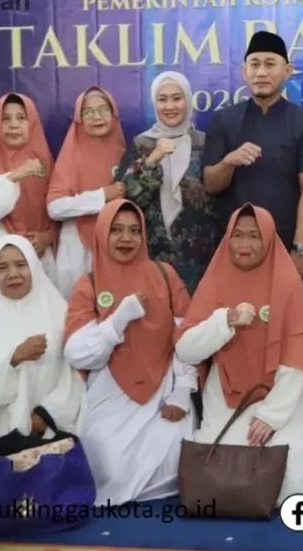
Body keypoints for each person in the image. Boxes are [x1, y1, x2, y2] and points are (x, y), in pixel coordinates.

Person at [173, 204, 303, 504]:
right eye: (237, 235)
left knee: (292, 479)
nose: (244, 244)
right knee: (218, 472)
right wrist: (225, 321)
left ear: (269, 239)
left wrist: (272, 415)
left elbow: (298, 357)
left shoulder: (287, 283)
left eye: (254, 236)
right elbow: (186, 348)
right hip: (226, 395)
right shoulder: (216, 279)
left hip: (282, 397)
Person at [64, 200, 196, 504]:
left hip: (164, 386)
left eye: (135, 231)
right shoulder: (89, 284)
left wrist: (183, 390)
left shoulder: (165, 275)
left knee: (176, 459)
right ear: (102, 234)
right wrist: (118, 320)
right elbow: (77, 353)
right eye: (117, 230)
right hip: (110, 390)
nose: (126, 238)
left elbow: (187, 335)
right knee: (109, 470)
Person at [202, 31, 303, 282]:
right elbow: (211, 185)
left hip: (286, 246)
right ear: (244, 71)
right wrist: (229, 162)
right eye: (254, 64)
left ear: (287, 71)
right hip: (234, 250)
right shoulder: (224, 120)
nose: (261, 72)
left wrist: (300, 249)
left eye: (270, 64)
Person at [0, 235, 85, 467]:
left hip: (50, 437)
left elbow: (74, 376)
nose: (13, 274)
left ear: (34, 266)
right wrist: (13, 360)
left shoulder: (58, 313)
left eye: (21, 264)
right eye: (2, 267)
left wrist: (46, 415)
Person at [121, 71, 220, 293]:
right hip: (152, 254)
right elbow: (126, 198)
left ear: (188, 100)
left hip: (201, 255)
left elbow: (219, 193)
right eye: (162, 99)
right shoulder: (141, 144)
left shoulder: (205, 143)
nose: (170, 106)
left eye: (177, 98)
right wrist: (152, 160)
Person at [0, 93, 58, 281]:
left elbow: (54, 209)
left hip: (40, 255)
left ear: (32, 123)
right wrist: (13, 177)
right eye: (5, 119)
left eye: (21, 118)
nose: (14, 125)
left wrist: (47, 237)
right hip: (1, 256)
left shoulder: (43, 159)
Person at [46, 86, 128, 297]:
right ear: (79, 119)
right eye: (88, 112)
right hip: (77, 247)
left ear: (114, 114)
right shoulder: (72, 155)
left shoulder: (123, 153)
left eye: (103, 110)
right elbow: (54, 207)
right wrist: (101, 197)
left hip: (118, 244)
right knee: (78, 305)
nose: (96, 117)